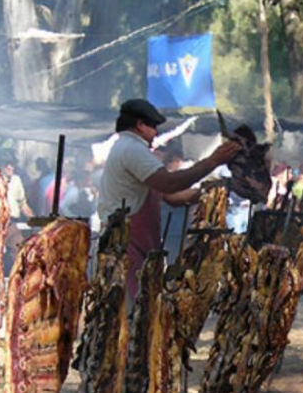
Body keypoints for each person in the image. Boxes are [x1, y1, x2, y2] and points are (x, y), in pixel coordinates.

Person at [98, 99, 241, 299]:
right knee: (134, 311)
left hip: (138, 244)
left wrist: (211, 192)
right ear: (140, 125)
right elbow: (170, 184)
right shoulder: (132, 148)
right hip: (127, 243)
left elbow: (173, 197)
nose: (156, 133)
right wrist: (213, 161)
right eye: (153, 127)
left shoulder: (125, 147)